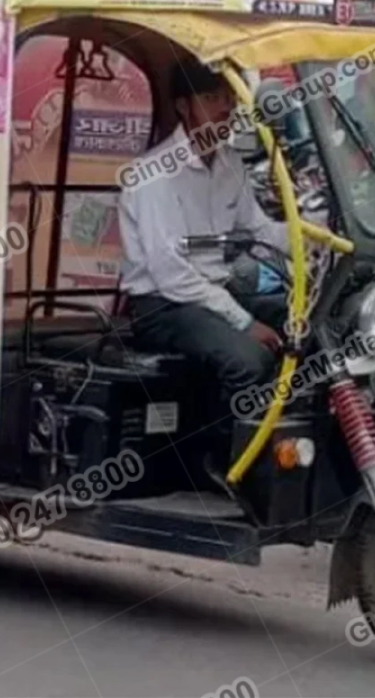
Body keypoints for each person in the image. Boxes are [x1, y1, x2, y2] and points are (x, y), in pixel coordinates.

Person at [118, 61, 288, 486]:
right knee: (249, 361)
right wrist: (244, 322)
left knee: (305, 328)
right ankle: (223, 463)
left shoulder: (230, 164)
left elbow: (262, 230)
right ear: (183, 107)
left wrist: (320, 236)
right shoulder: (153, 174)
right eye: (211, 98)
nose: (224, 108)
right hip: (165, 305)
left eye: (228, 99)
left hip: (215, 293)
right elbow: (171, 274)